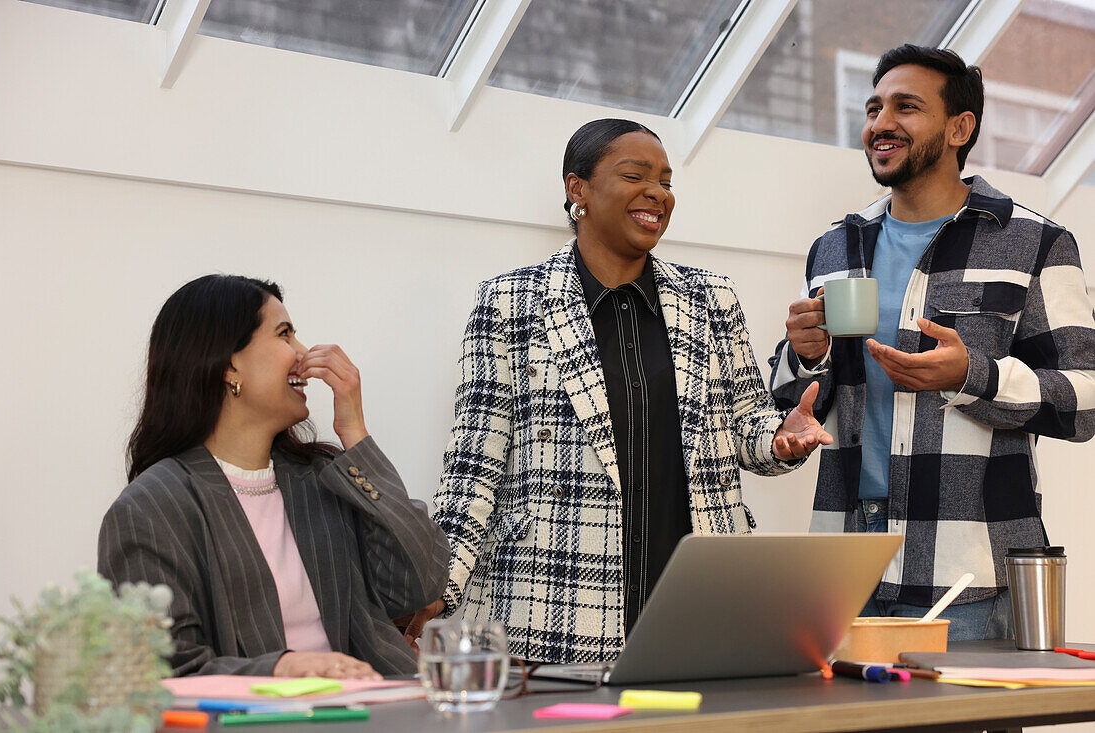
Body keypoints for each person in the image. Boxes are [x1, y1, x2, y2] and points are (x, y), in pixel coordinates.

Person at [404, 119, 832, 664]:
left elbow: (745, 425)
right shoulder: (510, 301)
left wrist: (778, 438)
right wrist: (435, 593)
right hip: (552, 598)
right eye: (636, 175)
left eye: (667, 181)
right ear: (576, 188)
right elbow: (473, 468)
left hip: (697, 601)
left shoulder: (711, 298)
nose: (658, 192)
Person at [769, 45, 1095, 640]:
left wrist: (973, 376)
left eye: (906, 106)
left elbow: (1085, 399)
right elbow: (791, 398)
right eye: (873, 108)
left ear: (959, 128)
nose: (880, 123)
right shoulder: (835, 247)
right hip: (843, 562)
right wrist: (805, 354)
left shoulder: (1035, 243)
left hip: (966, 569)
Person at [98, 275, 449, 677]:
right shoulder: (150, 508)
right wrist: (284, 668)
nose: (303, 354)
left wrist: (355, 435)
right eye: (285, 335)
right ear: (231, 363)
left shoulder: (323, 479)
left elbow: (417, 586)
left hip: (379, 710)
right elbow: (163, 669)